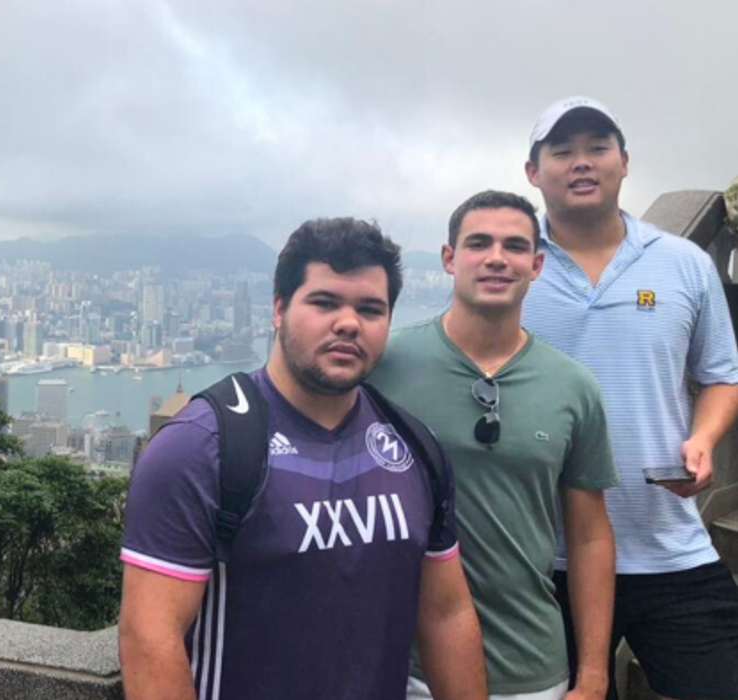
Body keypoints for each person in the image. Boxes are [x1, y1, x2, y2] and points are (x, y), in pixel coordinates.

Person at [118, 218, 486, 700]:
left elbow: (446, 613)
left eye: (371, 309)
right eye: (324, 302)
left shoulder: (413, 447)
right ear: (278, 308)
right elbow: (149, 637)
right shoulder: (200, 447)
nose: (349, 323)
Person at [522, 96, 738, 700]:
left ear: (625, 162)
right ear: (534, 173)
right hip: (545, 560)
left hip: (670, 543)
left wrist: (705, 439)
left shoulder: (683, 264)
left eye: (597, 148)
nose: (581, 162)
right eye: (562, 151)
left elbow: (721, 374)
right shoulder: (512, 267)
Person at [371, 191, 617, 700]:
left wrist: (593, 672)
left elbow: (589, 535)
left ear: (537, 265)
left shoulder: (572, 386)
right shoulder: (385, 365)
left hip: (529, 668)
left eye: (514, 246)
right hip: (404, 666)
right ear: (448, 258)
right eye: (478, 243)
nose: (497, 258)